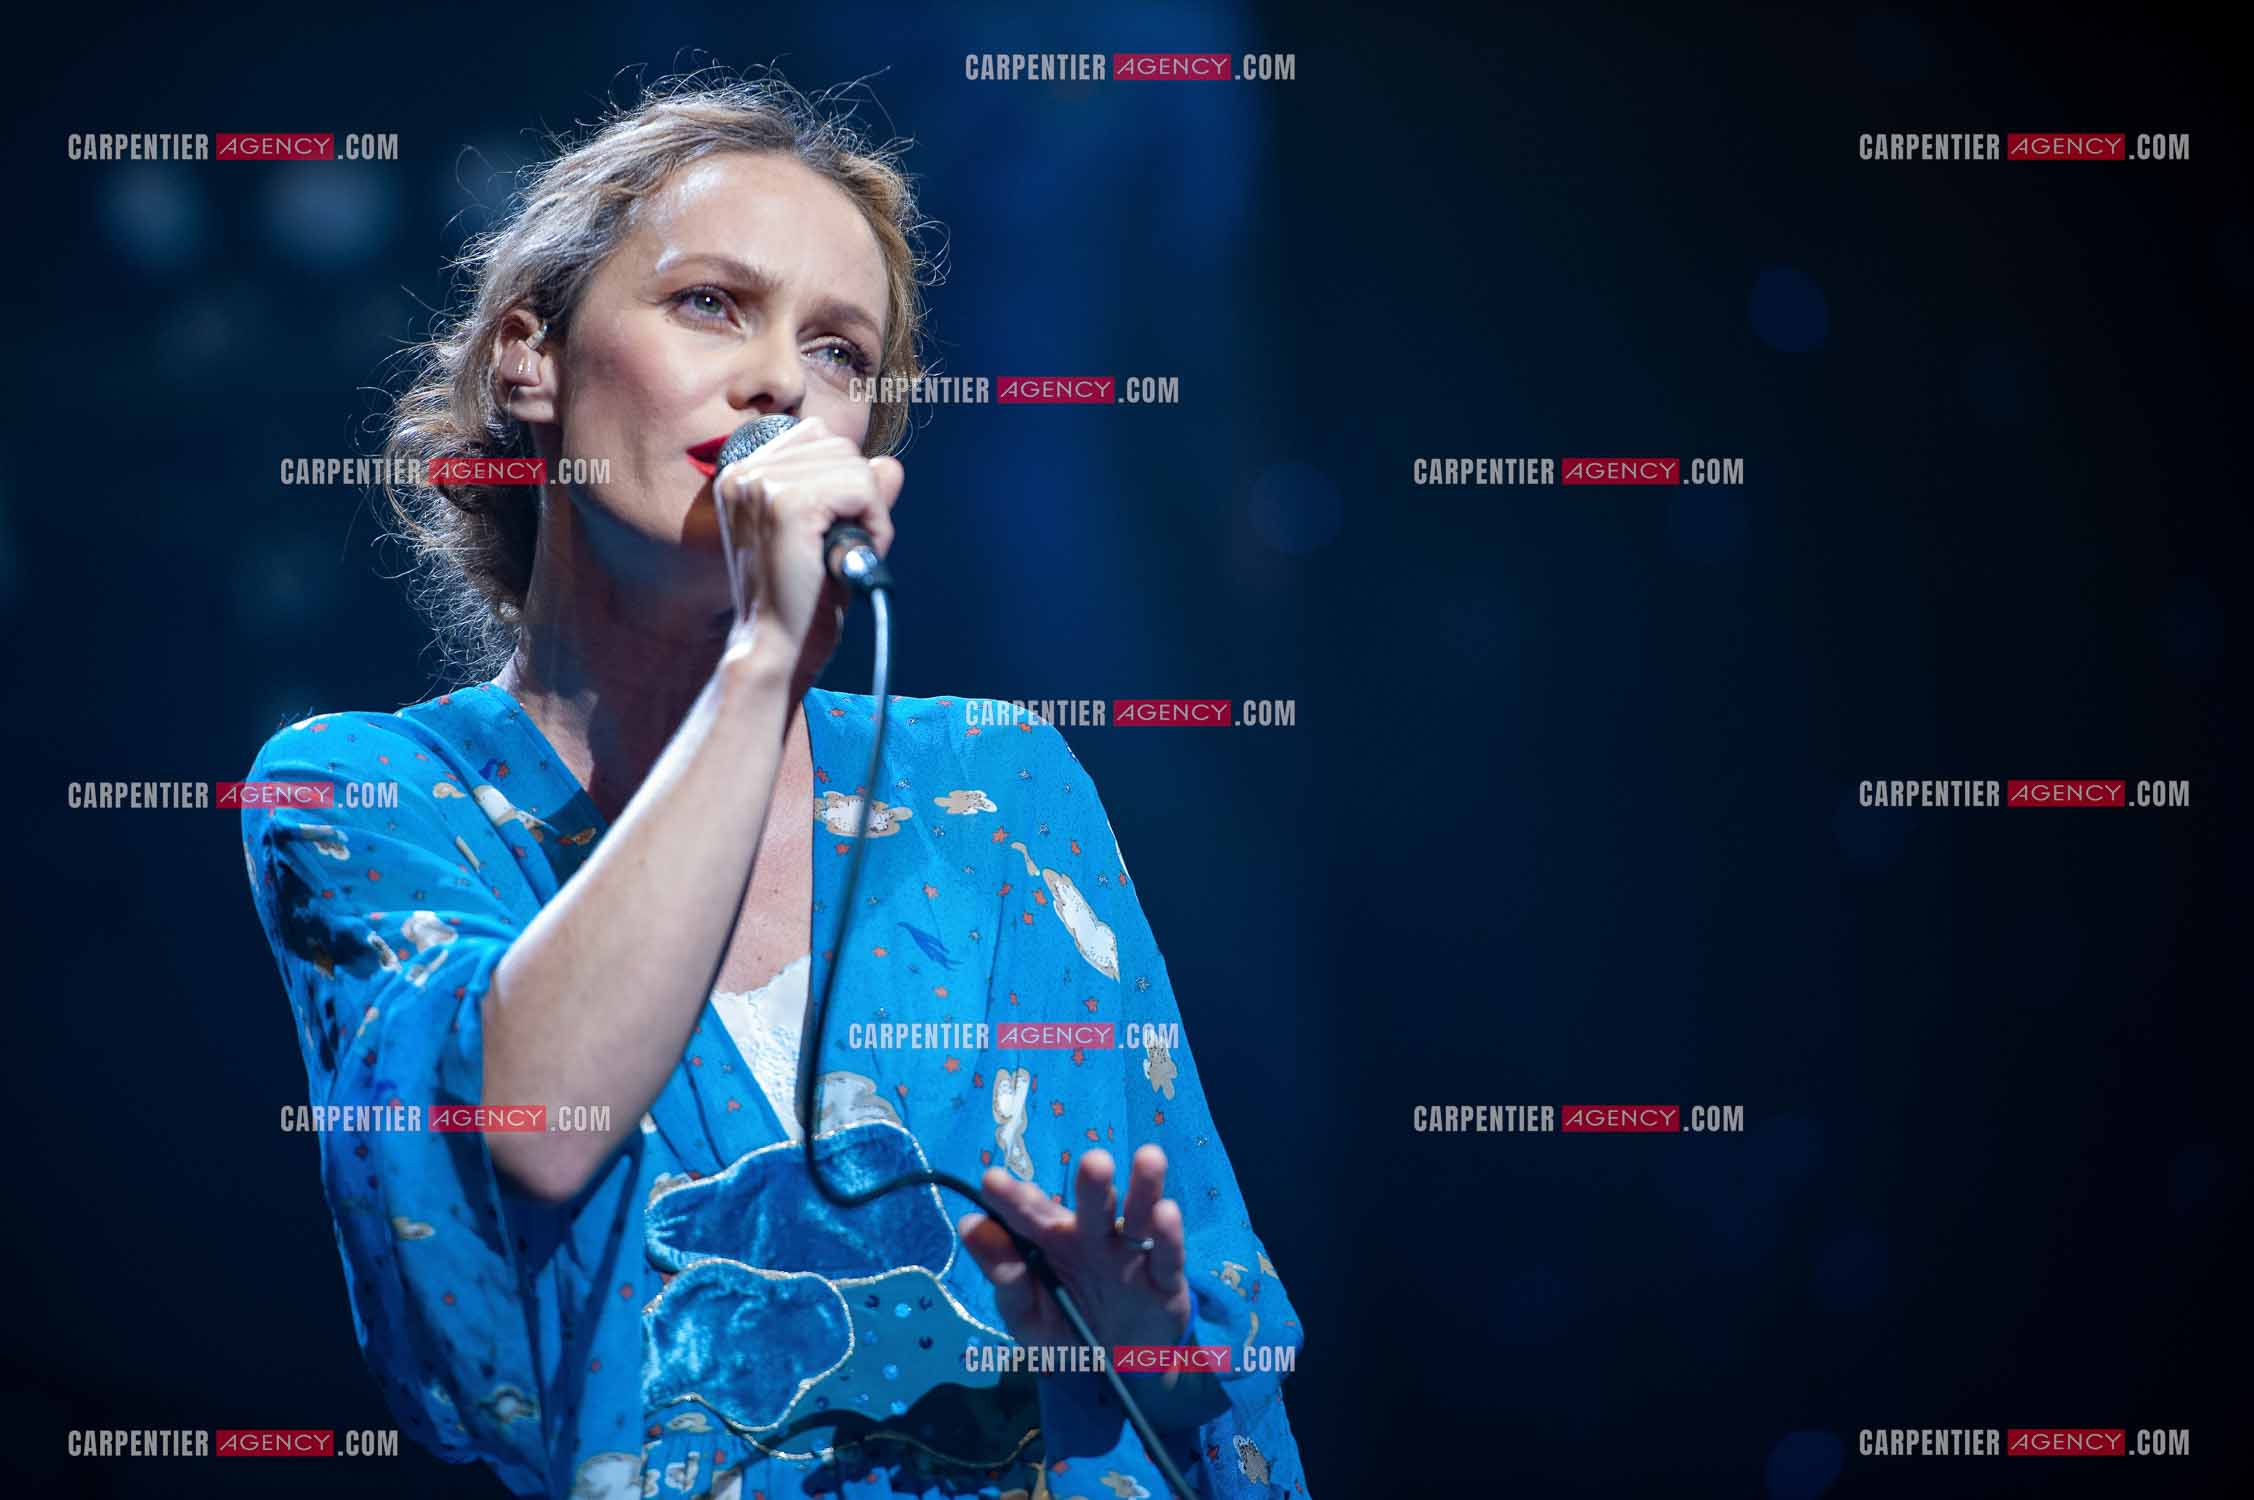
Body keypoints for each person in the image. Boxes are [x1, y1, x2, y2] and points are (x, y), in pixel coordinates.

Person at [240, 72, 1310, 1500]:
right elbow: (525, 1143)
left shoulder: (996, 787)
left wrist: (1128, 1344)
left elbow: (1214, 1379)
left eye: (838, 350)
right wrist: (761, 664)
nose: (778, 381)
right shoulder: (366, 795)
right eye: (709, 305)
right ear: (528, 361)